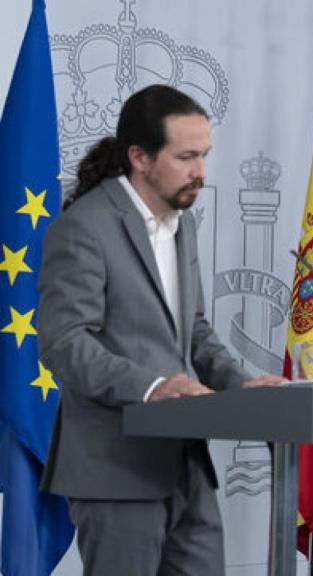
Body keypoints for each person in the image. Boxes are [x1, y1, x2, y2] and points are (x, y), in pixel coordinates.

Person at [37, 84, 283, 575]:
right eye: (186, 156)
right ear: (140, 157)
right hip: (116, 469)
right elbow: (65, 342)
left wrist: (241, 387)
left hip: (186, 467)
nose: (201, 172)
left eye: (205, 155)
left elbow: (194, 332)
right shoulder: (84, 227)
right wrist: (151, 387)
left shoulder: (182, 224)